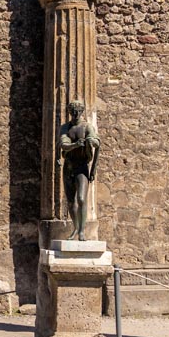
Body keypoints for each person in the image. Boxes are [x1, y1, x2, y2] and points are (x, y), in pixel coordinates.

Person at [57, 100, 99, 241]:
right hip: (69, 166)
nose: (75, 114)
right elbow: (63, 144)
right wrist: (75, 145)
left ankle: (82, 231)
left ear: (82, 112)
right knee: (70, 201)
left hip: (82, 167)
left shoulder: (87, 127)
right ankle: (76, 228)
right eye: (73, 111)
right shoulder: (65, 128)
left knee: (81, 198)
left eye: (78, 111)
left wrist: (92, 141)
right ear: (70, 112)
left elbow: (95, 139)